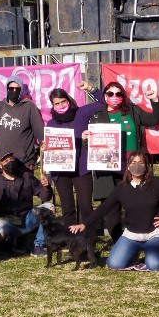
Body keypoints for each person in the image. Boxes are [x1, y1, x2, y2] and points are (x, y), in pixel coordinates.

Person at [87, 81, 159, 240]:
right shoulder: (97, 114)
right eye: (110, 94)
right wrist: (85, 139)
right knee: (111, 208)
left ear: (123, 96)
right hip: (107, 168)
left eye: (118, 94)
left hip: (132, 167)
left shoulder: (133, 111)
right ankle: (118, 242)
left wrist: (155, 100)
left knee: (138, 203)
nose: (114, 97)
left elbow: (154, 119)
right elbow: (91, 142)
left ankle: (141, 237)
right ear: (105, 96)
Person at [70, 152, 159, 271]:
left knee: (154, 265)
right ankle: (133, 253)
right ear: (128, 166)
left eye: (141, 163)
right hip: (132, 235)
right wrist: (84, 224)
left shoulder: (156, 183)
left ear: (146, 166)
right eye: (133, 163)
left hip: (154, 234)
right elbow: (104, 207)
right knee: (114, 264)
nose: (137, 166)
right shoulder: (121, 188)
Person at [46, 83, 104, 232]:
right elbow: (50, 146)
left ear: (68, 100)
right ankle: (73, 245)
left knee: (85, 208)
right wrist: (46, 148)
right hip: (61, 172)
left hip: (81, 170)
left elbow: (104, 102)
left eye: (63, 101)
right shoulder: (51, 123)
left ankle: (88, 242)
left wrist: (91, 89)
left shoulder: (82, 113)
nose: (61, 105)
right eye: (57, 103)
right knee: (68, 210)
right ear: (53, 106)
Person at [0, 152, 54, 257]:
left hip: (27, 217)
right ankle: (5, 244)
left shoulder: (26, 176)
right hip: (7, 220)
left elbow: (45, 197)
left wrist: (47, 187)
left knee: (49, 207)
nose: (10, 162)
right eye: (6, 161)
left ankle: (39, 245)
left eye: (12, 159)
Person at [0, 76, 44, 169]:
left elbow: (39, 130)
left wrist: (44, 144)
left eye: (17, 88)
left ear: (22, 90)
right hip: (3, 161)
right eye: (11, 88)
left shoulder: (29, 107)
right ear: (7, 89)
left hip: (24, 161)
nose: (14, 91)